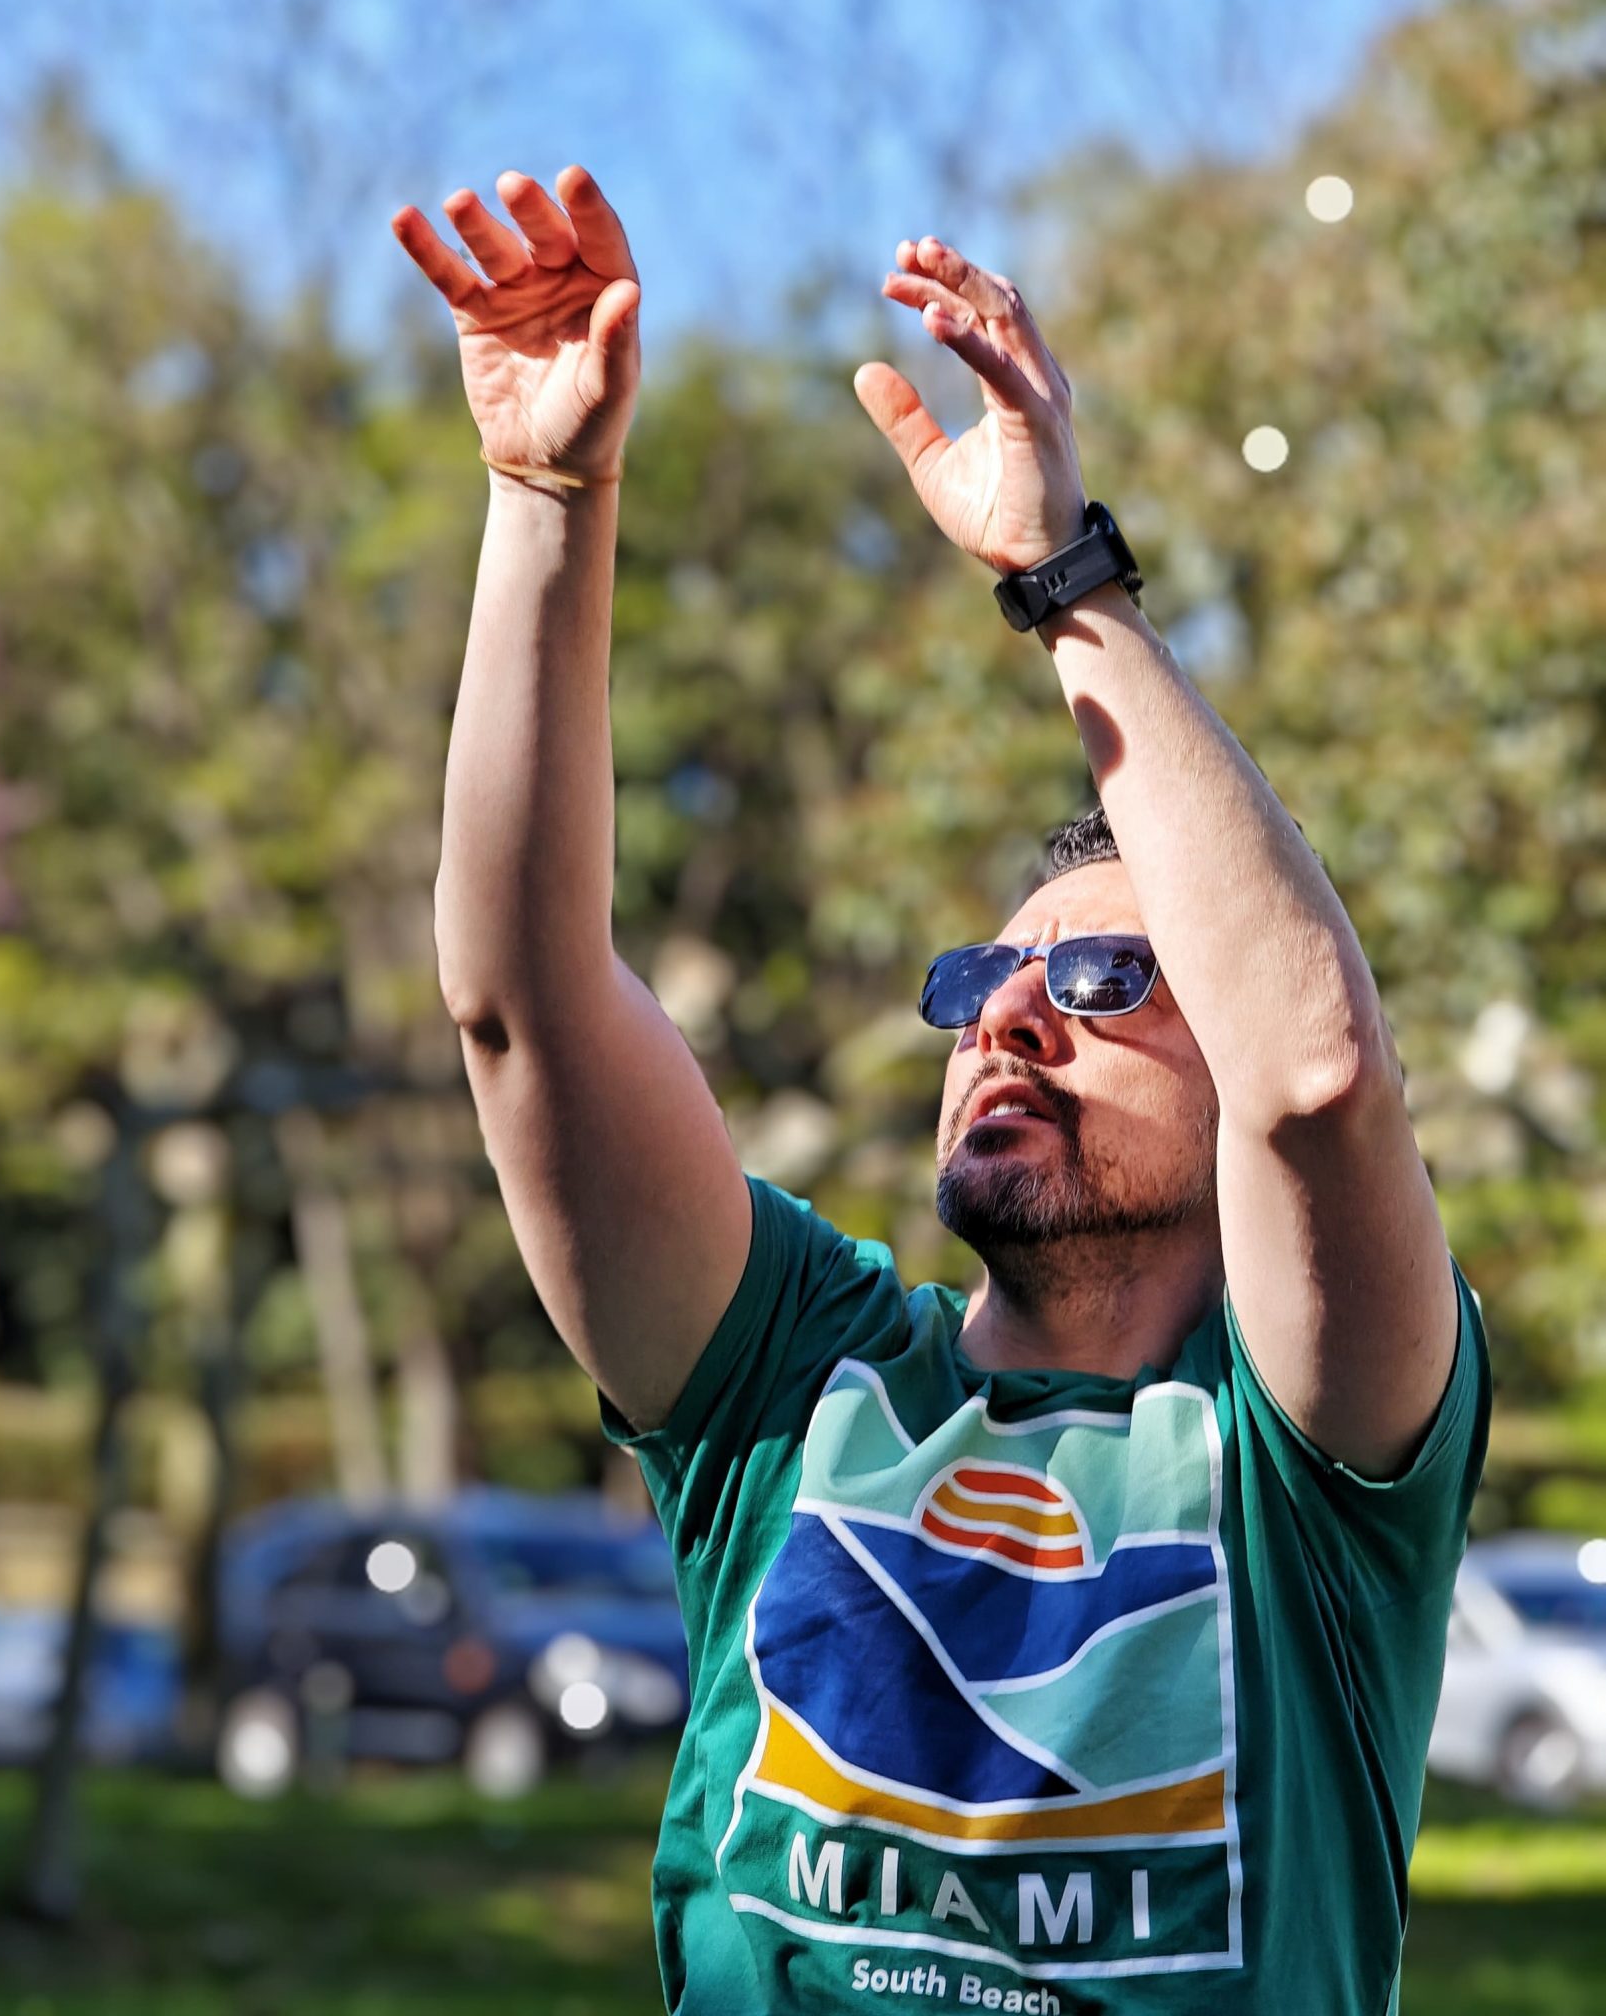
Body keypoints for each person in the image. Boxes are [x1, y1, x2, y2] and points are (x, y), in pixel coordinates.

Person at [391, 166, 1489, 2016]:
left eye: (1105, 979)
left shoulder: (1306, 1455)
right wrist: (544, 502)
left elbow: (1311, 1073)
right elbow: (518, 1005)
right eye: (984, 981)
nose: (1011, 1020)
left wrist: (1063, 585)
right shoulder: (789, 1383)